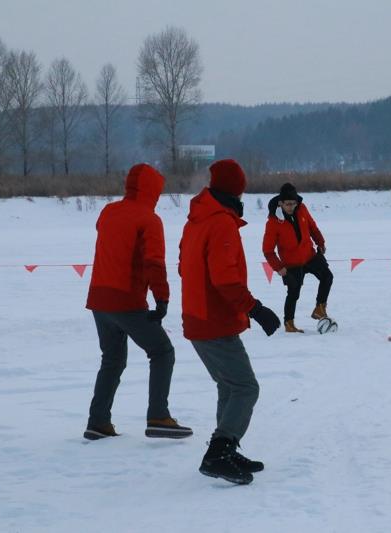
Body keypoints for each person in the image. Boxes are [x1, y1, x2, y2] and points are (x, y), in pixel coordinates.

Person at [180, 159, 281, 485]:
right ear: (236, 188)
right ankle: (219, 453)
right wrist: (256, 309)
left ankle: (226, 447)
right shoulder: (220, 222)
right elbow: (224, 280)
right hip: (214, 321)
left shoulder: (197, 219)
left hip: (198, 319)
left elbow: (185, 268)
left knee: (229, 386)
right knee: (245, 388)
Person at [84, 163, 192, 440]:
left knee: (112, 360)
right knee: (162, 352)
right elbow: (153, 263)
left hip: (99, 299)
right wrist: (162, 298)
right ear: (154, 190)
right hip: (127, 300)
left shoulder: (108, 212)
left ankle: (98, 422)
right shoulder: (149, 219)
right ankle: (158, 415)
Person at [263, 183, 333, 333]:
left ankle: (320, 308)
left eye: (294, 203)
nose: (291, 207)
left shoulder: (302, 209)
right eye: (288, 204)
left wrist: (320, 242)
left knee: (327, 276)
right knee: (293, 293)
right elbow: (267, 251)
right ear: (280, 203)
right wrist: (279, 267)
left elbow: (312, 227)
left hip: (309, 256)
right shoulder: (273, 222)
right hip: (291, 263)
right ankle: (289, 324)